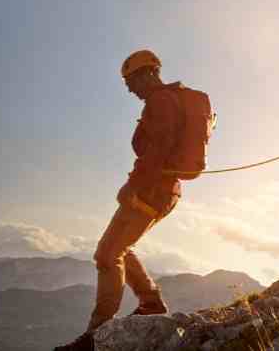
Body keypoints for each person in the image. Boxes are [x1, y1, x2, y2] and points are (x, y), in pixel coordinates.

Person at [55, 50, 184, 351]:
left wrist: (132, 186)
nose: (128, 88)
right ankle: (151, 303)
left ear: (148, 73)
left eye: (130, 80)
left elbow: (158, 150)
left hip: (151, 191)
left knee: (107, 255)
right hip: (160, 190)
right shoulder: (166, 101)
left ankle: (97, 334)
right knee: (118, 250)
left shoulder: (161, 102)